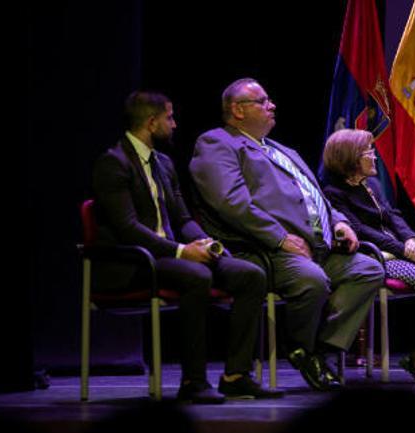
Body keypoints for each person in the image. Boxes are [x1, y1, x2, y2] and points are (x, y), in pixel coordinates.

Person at [189, 79, 384, 391]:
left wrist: (338, 221)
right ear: (238, 110)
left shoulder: (283, 150)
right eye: (263, 101)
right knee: (312, 281)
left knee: (369, 269)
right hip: (267, 250)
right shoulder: (217, 143)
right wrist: (279, 237)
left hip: (316, 246)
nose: (272, 106)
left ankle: (325, 349)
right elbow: (231, 202)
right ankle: (300, 348)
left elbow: (314, 194)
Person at [92, 91, 280, 403]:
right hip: (133, 262)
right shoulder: (113, 163)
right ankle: (193, 381)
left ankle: (236, 375)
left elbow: (182, 218)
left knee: (250, 274)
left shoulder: (163, 164)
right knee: (197, 276)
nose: (175, 124)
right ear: (152, 123)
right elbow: (128, 229)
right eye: (169, 117)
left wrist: (206, 242)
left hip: (169, 256)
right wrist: (182, 252)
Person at [321, 129, 415, 382]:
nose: (374, 157)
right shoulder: (333, 192)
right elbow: (361, 231)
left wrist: (410, 240)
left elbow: (393, 215)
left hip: (399, 251)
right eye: (368, 152)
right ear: (351, 158)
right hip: (375, 257)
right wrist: (405, 251)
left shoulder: (372, 185)